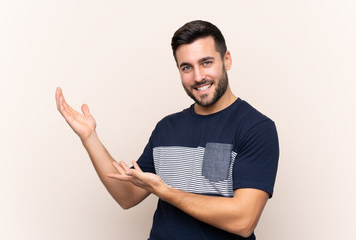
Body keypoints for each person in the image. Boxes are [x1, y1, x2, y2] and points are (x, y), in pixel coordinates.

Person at [55, 20, 279, 240]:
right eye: (187, 67)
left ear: (226, 60)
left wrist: (165, 192)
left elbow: (243, 221)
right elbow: (127, 197)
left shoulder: (256, 128)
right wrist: (89, 138)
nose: (198, 76)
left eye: (206, 62)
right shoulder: (166, 128)